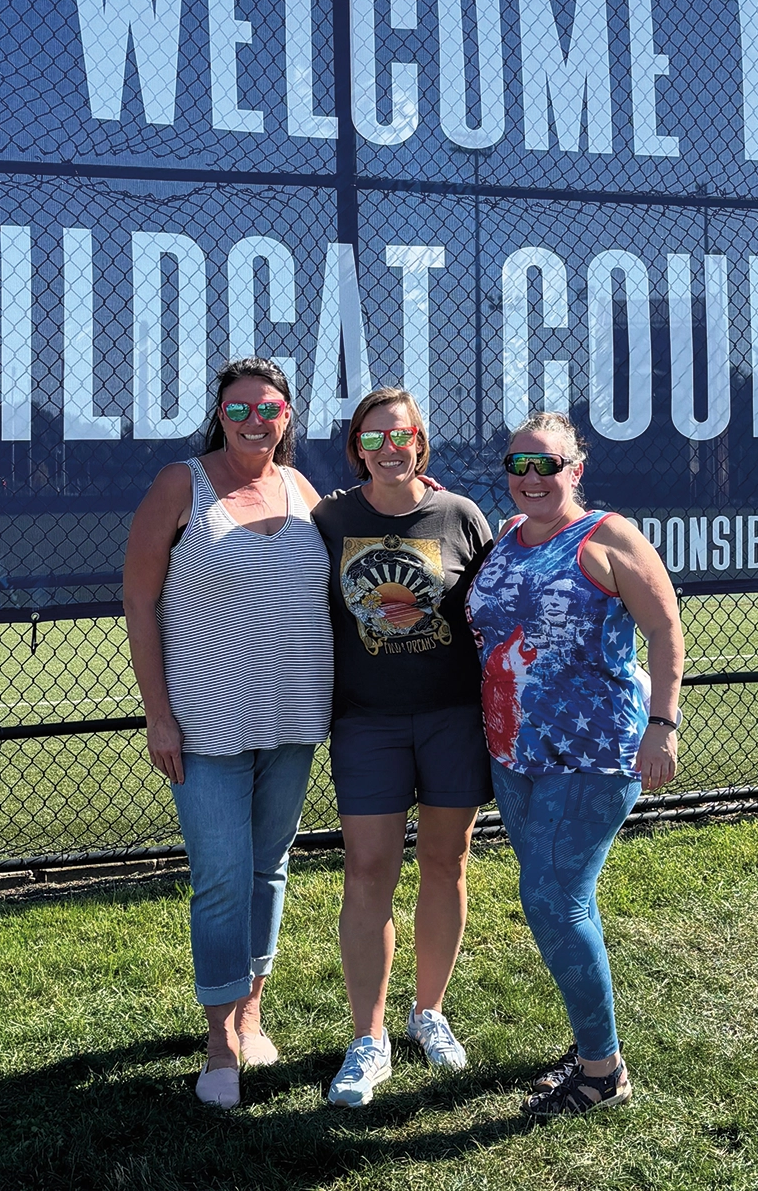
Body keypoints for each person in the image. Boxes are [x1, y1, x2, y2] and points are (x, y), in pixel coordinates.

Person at [123, 357, 333, 1111]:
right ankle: (219, 1040)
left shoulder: (304, 489)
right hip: (205, 722)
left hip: (293, 716)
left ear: (287, 417)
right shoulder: (180, 484)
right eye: (239, 408)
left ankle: (252, 1012)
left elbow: (368, 534)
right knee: (220, 877)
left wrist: (416, 498)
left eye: (269, 408)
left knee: (268, 868)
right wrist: (159, 713)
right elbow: (140, 602)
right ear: (220, 414)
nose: (254, 420)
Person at [466, 411, 684, 1118]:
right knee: (561, 902)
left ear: (576, 470)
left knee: (553, 901)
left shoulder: (606, 535)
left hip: (592, 751)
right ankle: (593, 1040)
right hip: (515, 749)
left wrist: (663, 726)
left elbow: (664, 627)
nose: (530, 478)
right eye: (517, 464)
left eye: (547, 465)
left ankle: (601, 1071)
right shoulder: (504, 538)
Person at [312, 388, 493, 1108]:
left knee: (447, 862)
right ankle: (369, 1037)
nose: (391, 447)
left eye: (404, 435)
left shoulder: (460, 516)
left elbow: (496, 606)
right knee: (367, 868)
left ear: (421, 444)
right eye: (375, 436)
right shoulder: (329, 518)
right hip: (367, 722)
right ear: (358, 446)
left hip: (452, 718)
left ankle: (430, 1014)